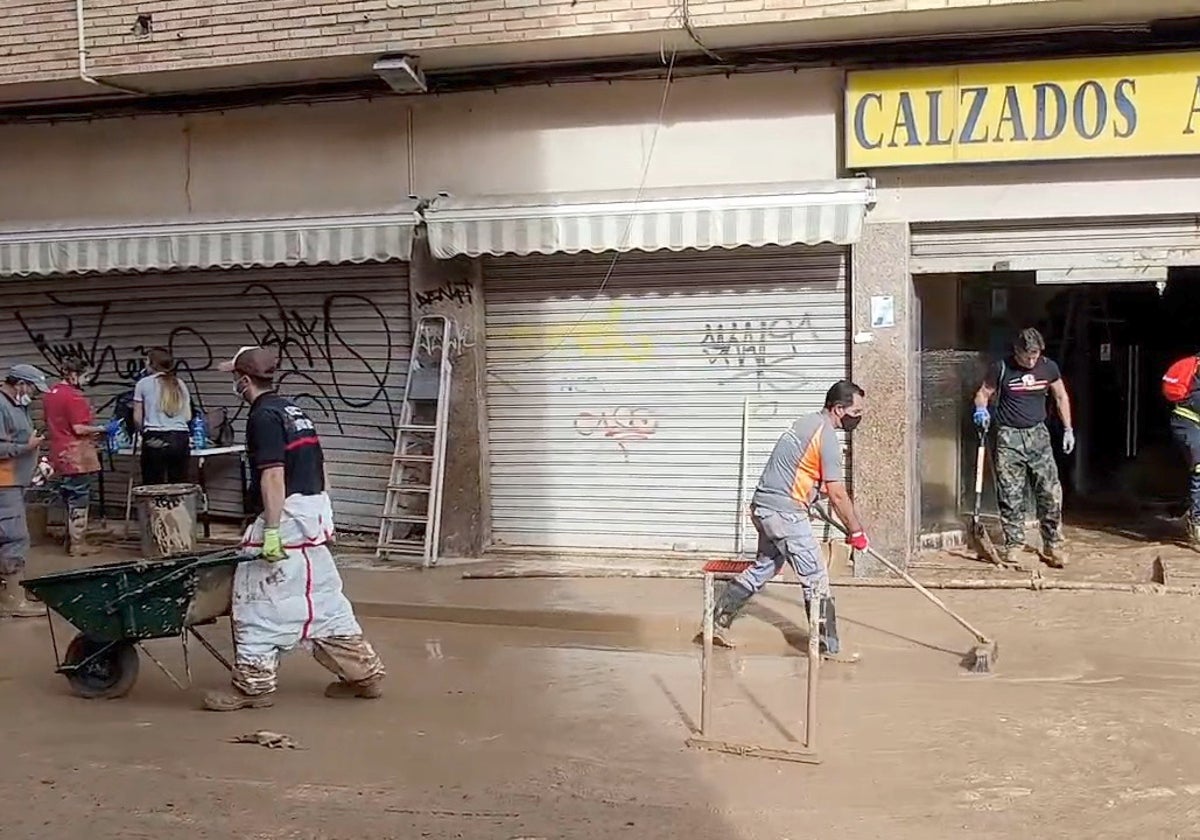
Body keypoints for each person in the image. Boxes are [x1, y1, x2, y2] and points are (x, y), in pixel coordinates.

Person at [203, 345, 385, 711]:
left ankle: (253, 686)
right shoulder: (293, 410)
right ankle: (363, 674)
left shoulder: (262, 417)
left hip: (285, 517)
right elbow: (320, 461)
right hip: (311, 517)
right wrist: (324, 514)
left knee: (256, 599)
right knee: (323, 601)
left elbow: (272, 474)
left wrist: (271, 531)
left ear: (244, 380)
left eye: (233, 379)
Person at [703, 380, 870, 661]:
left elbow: (796, 471)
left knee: (765, 567)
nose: (859, 417)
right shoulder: (826, 435)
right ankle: (827, 648)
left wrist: (810, 497)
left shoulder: (806, 424)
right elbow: (838, 494)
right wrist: (857, 532)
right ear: (839, 409)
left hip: (766, 508)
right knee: (816, 578)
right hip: (784, 514)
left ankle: (716, 623)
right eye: (857, 411)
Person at [973, 327, 1075, 570]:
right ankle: (1014, 544)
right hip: (1009, 437)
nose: (1031, 361)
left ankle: (1052, 544)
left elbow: (1060, 396)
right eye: (1026, 356)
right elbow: (983, 394)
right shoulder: (1002, 368)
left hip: (1038, 434)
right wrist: (981, 410)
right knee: (1011, 493)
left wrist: (1068, 428)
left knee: (1050, 492)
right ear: (1016, 351)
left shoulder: (1048, 367)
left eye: (1035, 356)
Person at [43, 357, 107, 558]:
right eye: (85, 376)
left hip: (58, 452)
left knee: (66, 496)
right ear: (73, 374)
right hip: (76, 455)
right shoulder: (74, 397)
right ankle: (78, 544)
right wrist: (103, 428)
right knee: (79, 498)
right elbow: (78, 428)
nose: (87, 381)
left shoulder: (49, 394)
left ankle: (68, 539)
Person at [0, 364, 50, 618]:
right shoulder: (0, 405)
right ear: (20, 384)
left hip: (13, 480)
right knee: (14, 537)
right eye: (33, 389)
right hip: (3, 481)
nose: (35, 395)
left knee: (7, 536)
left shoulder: (17, 405)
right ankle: (13, 600)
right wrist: (26, 446)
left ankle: (11, 591)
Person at [133, 347, 192, 485]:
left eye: (147, 360)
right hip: (180, 437)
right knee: (178, 484)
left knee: (153, 484)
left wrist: (140, 432)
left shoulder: (143, 384)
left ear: (152, 363)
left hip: (155, 436)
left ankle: (156, 507)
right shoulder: (180, 384)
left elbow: (137, 417)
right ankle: (177, 507)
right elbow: (188, 416)